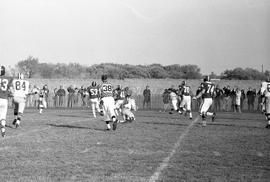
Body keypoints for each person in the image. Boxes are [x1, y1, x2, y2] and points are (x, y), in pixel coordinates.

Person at [0, 66, 13, 137]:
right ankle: (3, 128)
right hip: (4, 100)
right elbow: (11, 90)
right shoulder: (9, 79)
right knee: (3, 116)